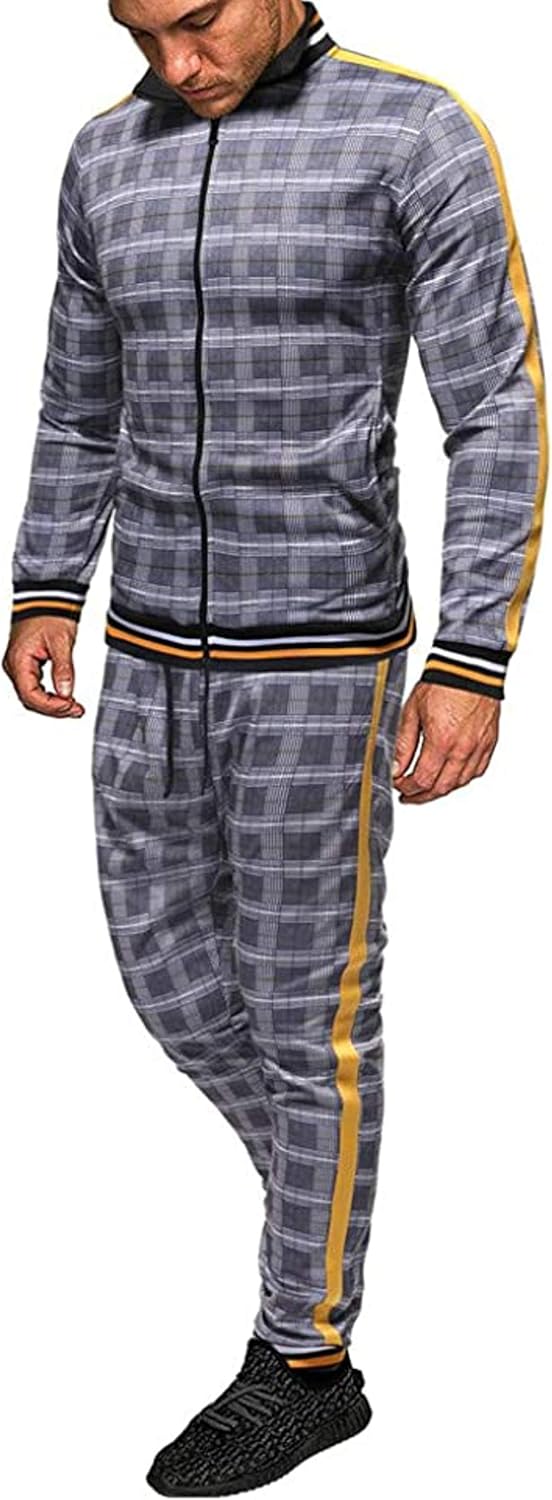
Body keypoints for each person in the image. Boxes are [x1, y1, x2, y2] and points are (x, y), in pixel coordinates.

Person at [3, 1, 548, 1493]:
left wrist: (474, 658)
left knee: (315, 1025)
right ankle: (326, 1174)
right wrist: (46, 582)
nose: (173, 65)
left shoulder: (415, 132)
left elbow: (495, 410)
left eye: (196, 22)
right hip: (146, 652)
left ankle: (307, 1358)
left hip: (325, 656)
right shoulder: (103, 156)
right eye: (138, 32)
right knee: (166, 976)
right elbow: (77, 402)